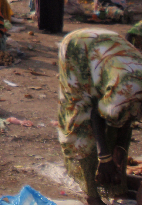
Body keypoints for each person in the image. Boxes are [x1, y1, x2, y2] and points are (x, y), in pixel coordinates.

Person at [58, 29, 142, 205]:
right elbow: (97, 114)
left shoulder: (131, 98)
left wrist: (118, 149)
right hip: (80, 48)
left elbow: (127, 118)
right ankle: (92, 195)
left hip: (109, 55)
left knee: (119, 125)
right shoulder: (126, 92)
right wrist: (105, 158)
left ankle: (116, 185)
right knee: (83, 120)